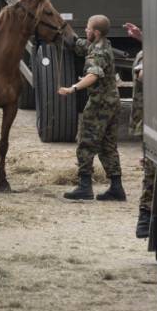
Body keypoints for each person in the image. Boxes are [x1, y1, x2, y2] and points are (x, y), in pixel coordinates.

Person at [57, 15, 125, 201]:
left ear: (96, 32)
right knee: (108, 146)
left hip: (99, 105)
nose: (85, 31)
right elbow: (82, 46)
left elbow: (93, 75)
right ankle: (116, 188)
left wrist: (73, 88)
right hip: (112, 103)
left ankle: (85, 186)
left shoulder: (98, 53)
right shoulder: (103, 45)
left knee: (86, 143)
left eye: (87, 29)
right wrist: (65, 33)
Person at [124, 22, 155, 238]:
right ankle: (144, 217)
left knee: (151, 171)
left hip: (152, 122)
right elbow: (142, 76)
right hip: (148, 121)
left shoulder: (150, 53)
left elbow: (143, 76)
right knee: (150, 171)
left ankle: (146, 217)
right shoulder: (147, 53)